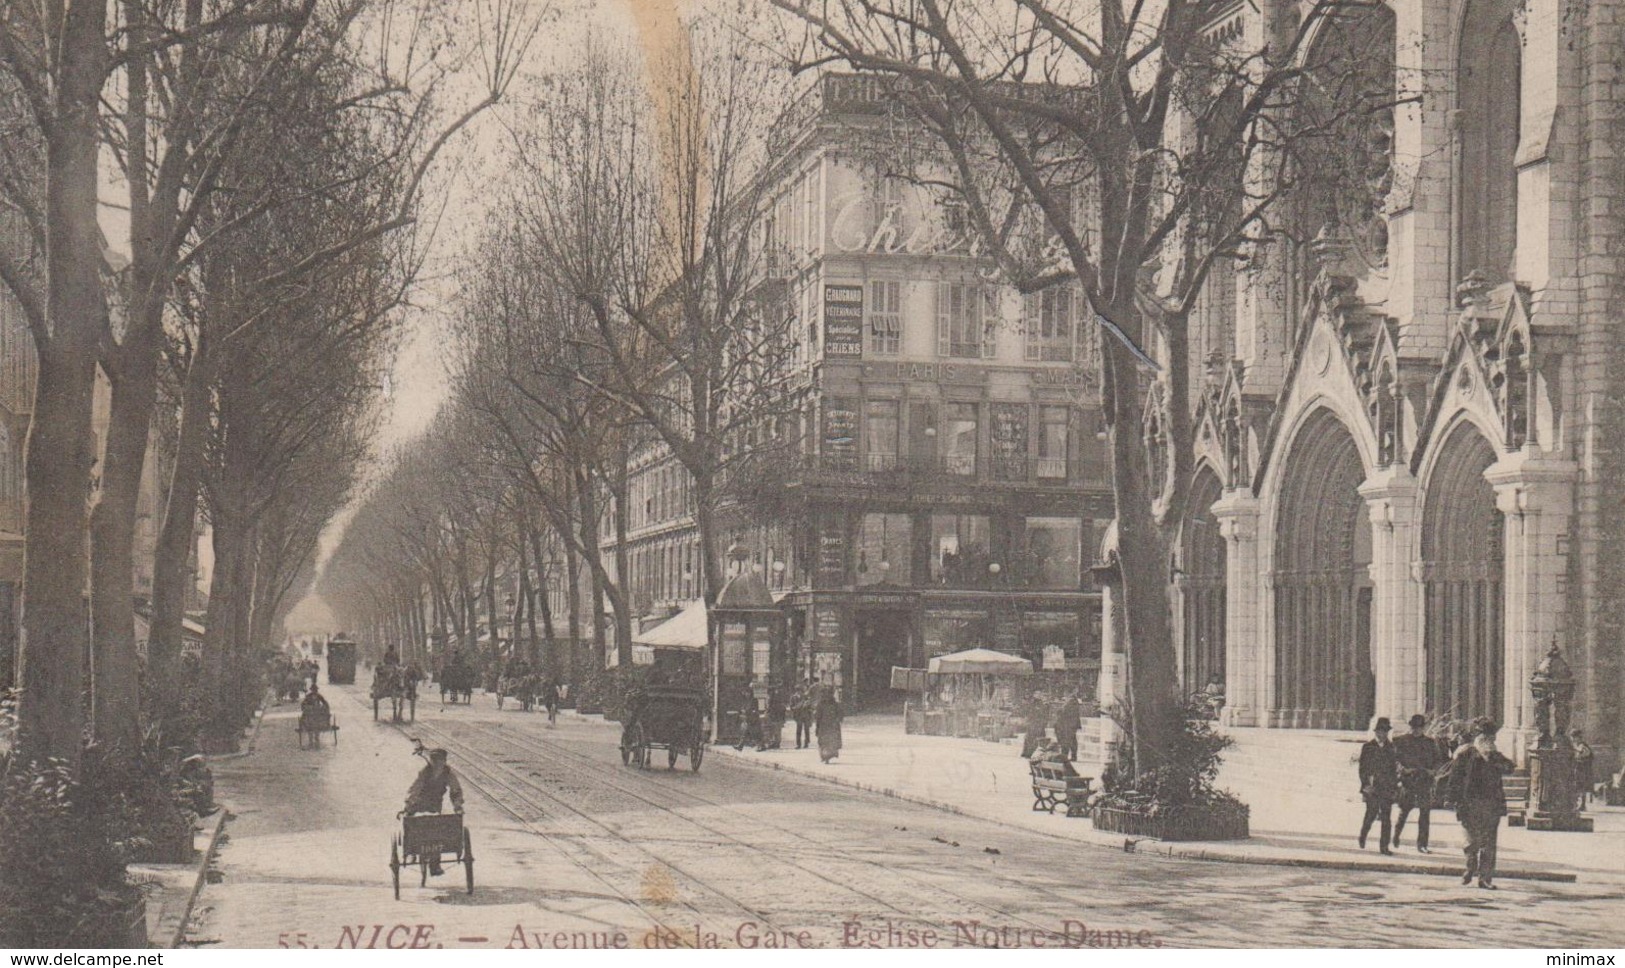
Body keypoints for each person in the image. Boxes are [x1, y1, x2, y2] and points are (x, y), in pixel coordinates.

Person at [1449, 718, 1514, 889]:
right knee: (1471, 841)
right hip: (1469, 803)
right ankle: (1470, 867)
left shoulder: (1494, 756)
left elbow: (1510, 767)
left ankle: (1485, 878)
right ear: (1477, 737)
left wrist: (1492, 756)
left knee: (1489, 842)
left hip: (1491, 804)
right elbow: (1454, 780)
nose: (1488, 741)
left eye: (1490, 737)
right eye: (1484, 736)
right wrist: (1454, 800)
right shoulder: (1465, 754)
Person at [403, 747, 465, 876]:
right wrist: (408, 805)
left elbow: (456, 791)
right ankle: (411, 851)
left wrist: (458, 806)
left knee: (436, 832)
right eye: (434, 759)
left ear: (444, 761)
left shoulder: (448, 774)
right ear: (430, 760)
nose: (436, 762)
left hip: (434, 805)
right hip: (419, 803)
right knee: (412, 824)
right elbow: (415, 788)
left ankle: (434, 864)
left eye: (439, 760)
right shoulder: (424, 772)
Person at [1393, 713, 1444, 853]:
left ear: (1424, 728)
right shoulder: (1401, 741)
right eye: (1414, 727)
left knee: (1425, 814)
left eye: (1419, 728)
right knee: (1404, 811)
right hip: (1408, 781)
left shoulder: (1430, 743)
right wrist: (1403, 769)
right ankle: (1396, 836)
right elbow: (1395, 760)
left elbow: (1438, 761)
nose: (1416, 730)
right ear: (1410, 727)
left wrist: (1433, 771)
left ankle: (1422, 844)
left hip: (1424, 781)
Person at [1357, 716, 1400, 855]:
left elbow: (1394, 770)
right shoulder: (1368, 747)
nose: (1382, 734)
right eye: (1380, 731)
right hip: (1372, 787)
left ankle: (1384, 847)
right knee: (1371, 814)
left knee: (1386, 818)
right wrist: (1365, 786)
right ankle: (1363, 835)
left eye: (1385, 731)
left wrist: (1394, 788)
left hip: (1387, 787)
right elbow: (1362, 769)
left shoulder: (1391, 748)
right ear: (1375, 732)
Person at [815, 686, 843, 764]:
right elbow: (840, 715)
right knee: (830, 741)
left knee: (824, 742)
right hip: (832, 726)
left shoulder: (821, 704)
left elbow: (817, 717)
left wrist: (817, 727)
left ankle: (825, 757)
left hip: (824, 726)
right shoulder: (835, 703)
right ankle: (827, 756)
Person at [1054, 691, 1082, 761]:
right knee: (1072, 740)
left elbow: (1063, 711)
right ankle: (1073, 756)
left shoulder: (1070, 701)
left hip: (1069, 725)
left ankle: (1065, 756)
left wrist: (1059, 711)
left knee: (1067, 740)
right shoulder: (1073, 701)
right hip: (1072, 724)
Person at [1020, 692, 1050, 759]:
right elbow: (1029, 712)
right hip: (1033, 724)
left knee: (1036, 739)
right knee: (1030, 738)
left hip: (1038, 724)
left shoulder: (1043, 704)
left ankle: (1033, 753)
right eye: (1037, 694)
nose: (1039, 695)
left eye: (1040, 694)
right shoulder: (1033, 703)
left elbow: (1044, 714)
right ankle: (1028, 753)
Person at [1571, 729, 1594, 808]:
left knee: (1581, 786)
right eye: (1572, 737)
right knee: (1577, 786)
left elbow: (1585, 754)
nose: (1573, 739)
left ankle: (1582, 804)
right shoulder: (1576, 745)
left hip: (1583, 769)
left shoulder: (1583, 745)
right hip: (1577, 767)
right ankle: (1577, 803)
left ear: (1578, 737)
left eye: (1574, 737)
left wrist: (1575, 750)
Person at [793, 684, 815, 750]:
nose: (799, 692)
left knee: (806, 730)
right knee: (798, 730)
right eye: (798, 691)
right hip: (799, 715)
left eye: (800, 691)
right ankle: (798, 744)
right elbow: (792, 706)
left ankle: (806, 743)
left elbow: (810, 707)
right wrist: (795, 708)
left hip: (806, 715)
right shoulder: (794, 697)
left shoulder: (806, 697)